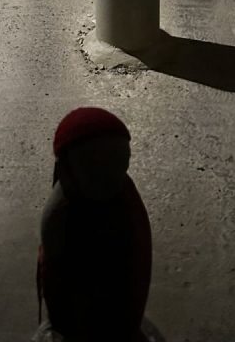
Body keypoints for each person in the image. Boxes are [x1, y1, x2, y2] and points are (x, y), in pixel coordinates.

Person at [37, 107, 152, 342]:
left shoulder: (123, 199)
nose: (110, 180)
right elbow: (60, 285)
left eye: (119, 165)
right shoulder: (61, 215)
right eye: (95, 169)